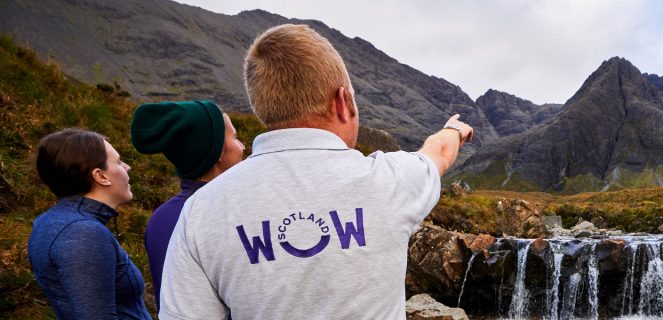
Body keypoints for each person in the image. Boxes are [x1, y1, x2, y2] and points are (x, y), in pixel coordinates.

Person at [158, 24, 474, 319]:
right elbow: (438, 152)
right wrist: (454, 130)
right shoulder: (390, 180)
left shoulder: (200, 212)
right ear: (343, 101)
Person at [129, 100, 245, 310]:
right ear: (218, 151)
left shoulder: (161, 218)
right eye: (235, 138)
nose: (243, 147)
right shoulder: (226, 213)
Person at [27, 128, 151, 320]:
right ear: (101, 176)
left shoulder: (54, 222)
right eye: (118, 162)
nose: (127, 167)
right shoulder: (82, 233)